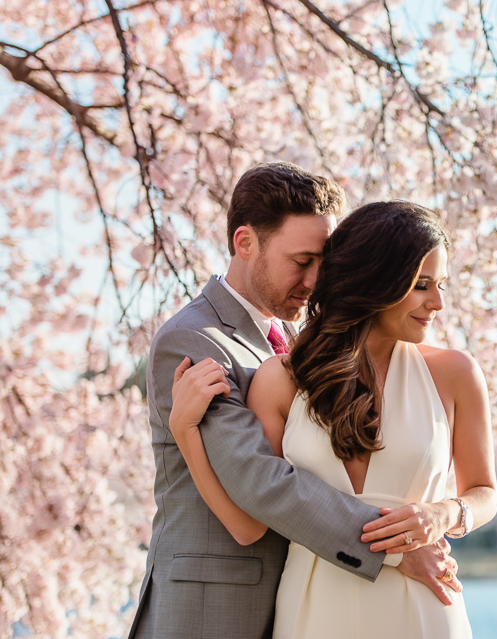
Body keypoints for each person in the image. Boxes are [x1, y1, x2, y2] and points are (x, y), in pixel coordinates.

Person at [129, 164, 460, 639]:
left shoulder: (302, 342)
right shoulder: (194, 339)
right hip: (213, 606)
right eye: (302, 260)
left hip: (306, 599)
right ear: (245, 243)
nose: (314, 279)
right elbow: (264, 481)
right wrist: (396, 547)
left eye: (325, 262)